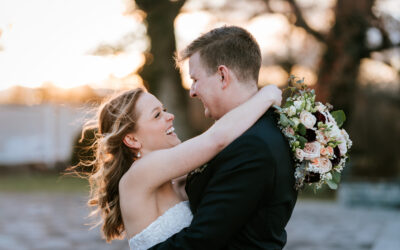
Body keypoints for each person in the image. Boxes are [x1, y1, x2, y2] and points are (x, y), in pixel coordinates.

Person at [78, 83, 281, 249]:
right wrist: (267, 95)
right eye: (157, 115)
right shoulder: (140, 173)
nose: (170, 116)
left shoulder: (172, 178)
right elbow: (216, 140)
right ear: (132, 139)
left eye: (164, 110)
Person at [149, 26, 298, 249]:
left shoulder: (252, 145)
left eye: (195, 79)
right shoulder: (252, 131)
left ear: (222, 75)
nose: (192, 91)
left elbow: (202, 241)